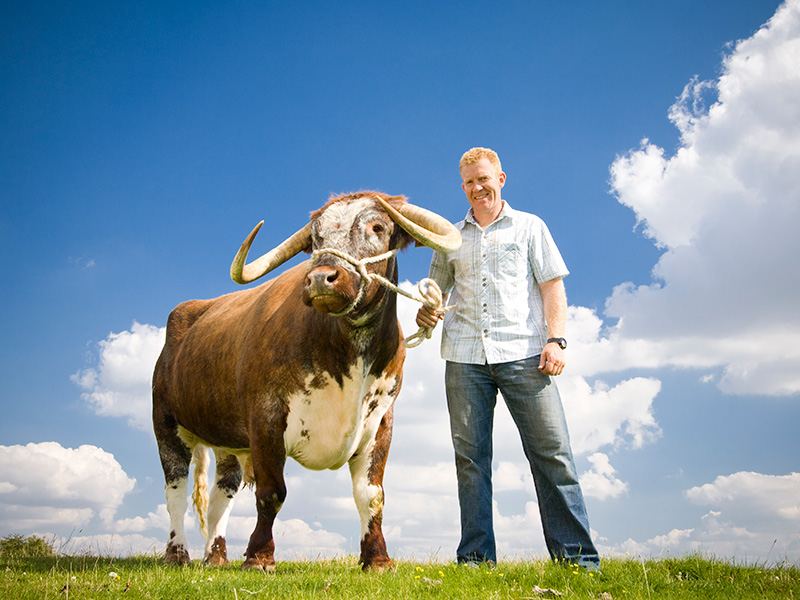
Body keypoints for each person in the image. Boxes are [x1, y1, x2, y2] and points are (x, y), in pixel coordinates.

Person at [416, 147, 599, 569]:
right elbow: (436, 293)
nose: (477, 187)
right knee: (471, 463)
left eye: (483, 178)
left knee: (553, 454)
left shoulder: (531, 227)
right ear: (462, 187)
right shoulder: (448, 237)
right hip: (463, 359)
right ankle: (476, 560)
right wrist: (427, 314)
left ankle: (578, 559)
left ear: (500, 179)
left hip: (525, 355)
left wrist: (557, 340)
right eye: (468, 182)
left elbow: (553, 286)